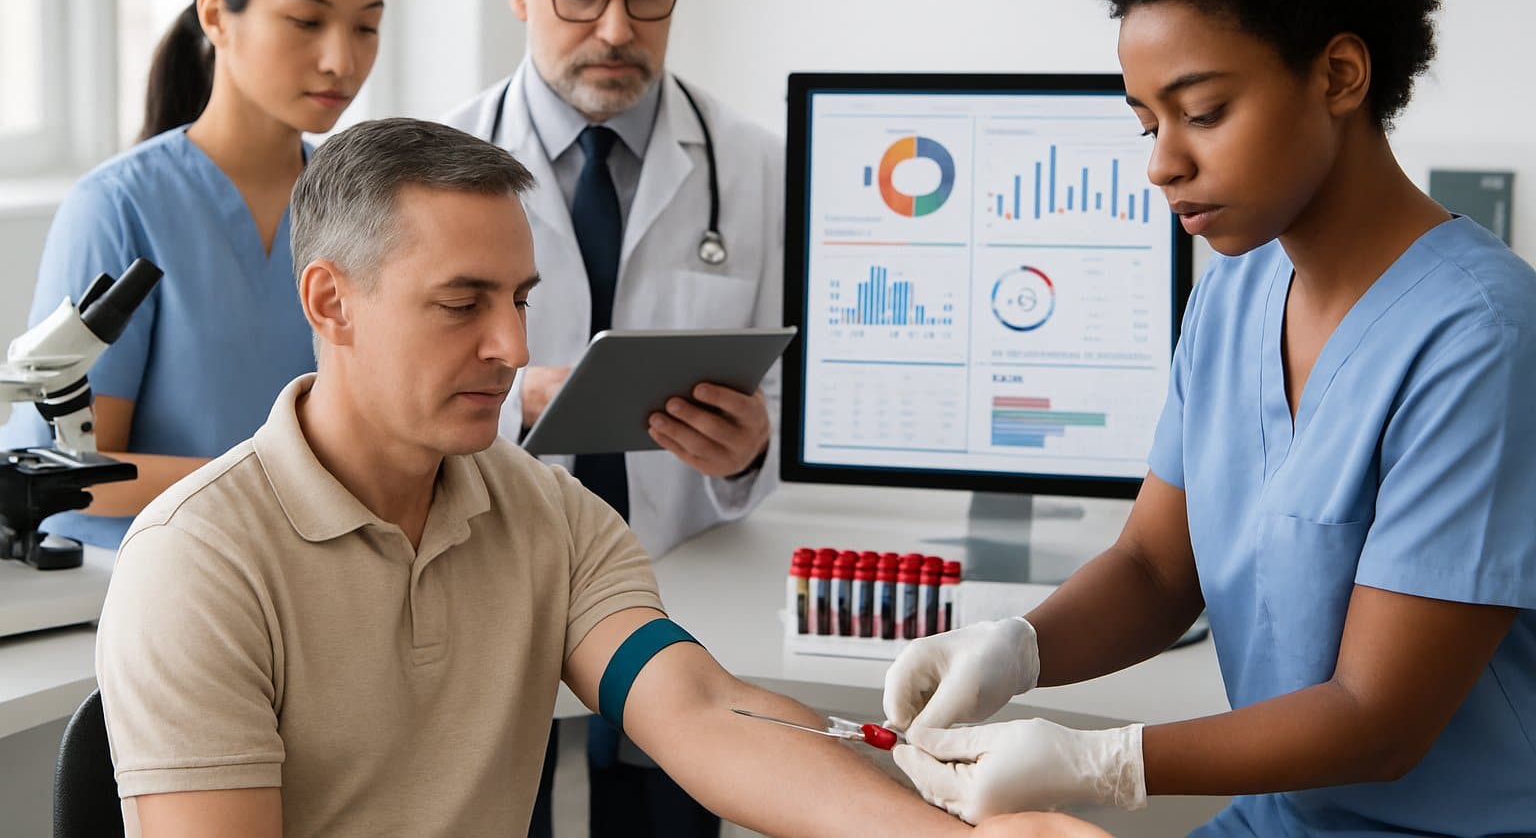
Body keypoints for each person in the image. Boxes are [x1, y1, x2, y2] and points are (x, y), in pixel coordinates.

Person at [94, 116, 1107, 838]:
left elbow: (701, 711)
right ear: (331, 301)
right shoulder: (198, 564)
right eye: (462, 302)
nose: (511, 343)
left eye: (521, 297)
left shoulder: (541, 511)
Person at [882, 0, 1536, 836]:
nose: (1163, 164)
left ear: (1342, 74)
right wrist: (1016, 647)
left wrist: (1104, 760)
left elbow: (1379, 720)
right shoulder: (1234, 295)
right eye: (1150, 124)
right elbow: (1154, 567)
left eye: (1205, 111)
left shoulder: (1480, 339)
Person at [440, 0, 782, 836]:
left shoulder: (757, 166)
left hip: (684, 576)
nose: (618, 28)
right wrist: (514, 402)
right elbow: (388, 391)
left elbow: (792, 401)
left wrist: (747, 451)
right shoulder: (435, 165)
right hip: (488, 568)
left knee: (674, 809)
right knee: (507, 806)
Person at [0, 0, 388, 550]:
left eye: (366, 27)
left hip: (325, 573)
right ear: (215, 15)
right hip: (147, 583)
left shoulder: (364, 201)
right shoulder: (119, 207)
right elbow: (68, 474)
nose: (341, 60)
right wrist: (281, 481)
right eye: (306, 21)